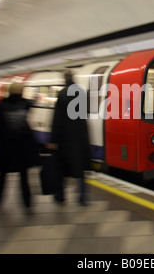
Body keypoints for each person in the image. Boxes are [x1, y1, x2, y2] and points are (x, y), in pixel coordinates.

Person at [0, 82, 37, 213]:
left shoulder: (1, 106)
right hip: (21, 149)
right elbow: (27, 127)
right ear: (21, 91)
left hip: (5, 148)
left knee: (2, 176)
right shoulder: (26, 105)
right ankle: (27, 205)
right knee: (24, 178)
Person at [47, 69, 91, 206]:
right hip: (81, 135)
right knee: (81, 168)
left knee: (61, 167)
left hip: (65, 137)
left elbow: (57, 119)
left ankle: (60, 196)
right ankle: (83, 197)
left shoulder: (62, 94)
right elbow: (86, 112)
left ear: (64, 79)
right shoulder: (82, 93)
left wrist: (53, 139)